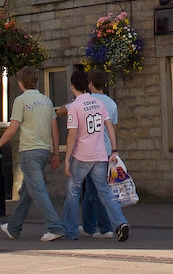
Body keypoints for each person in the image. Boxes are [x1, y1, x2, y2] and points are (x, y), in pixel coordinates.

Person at [0, 65, 66, 242]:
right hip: (44, 151)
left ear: (20, 82)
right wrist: (55, 153)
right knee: (27, 191)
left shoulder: (21, 100)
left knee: (38, 190)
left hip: (29, 151)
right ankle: (14, 227)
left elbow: (12, 129)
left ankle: (55, 227)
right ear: (36, 81)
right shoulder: (46, 101)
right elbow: (54, 129)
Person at [62, 70, 129, 242]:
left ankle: (70, 231)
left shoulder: (75, 106)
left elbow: (72, 135)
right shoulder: (99, 103)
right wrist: (114, 149)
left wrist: (67, 158)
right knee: (104, 191)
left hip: (82, 155)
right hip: (100, 154)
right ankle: (120, 222)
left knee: (73, 191)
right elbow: (110, 127)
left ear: (72, 86)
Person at [80, 69, 118, 238]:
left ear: (90, 84)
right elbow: (113, 130)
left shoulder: (87, 101)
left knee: (97, 191)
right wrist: (114, 150)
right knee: (91, 190)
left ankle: (106, 227)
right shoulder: (112, 104)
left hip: (92, 151)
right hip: (107, 150)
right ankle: (89, 226)